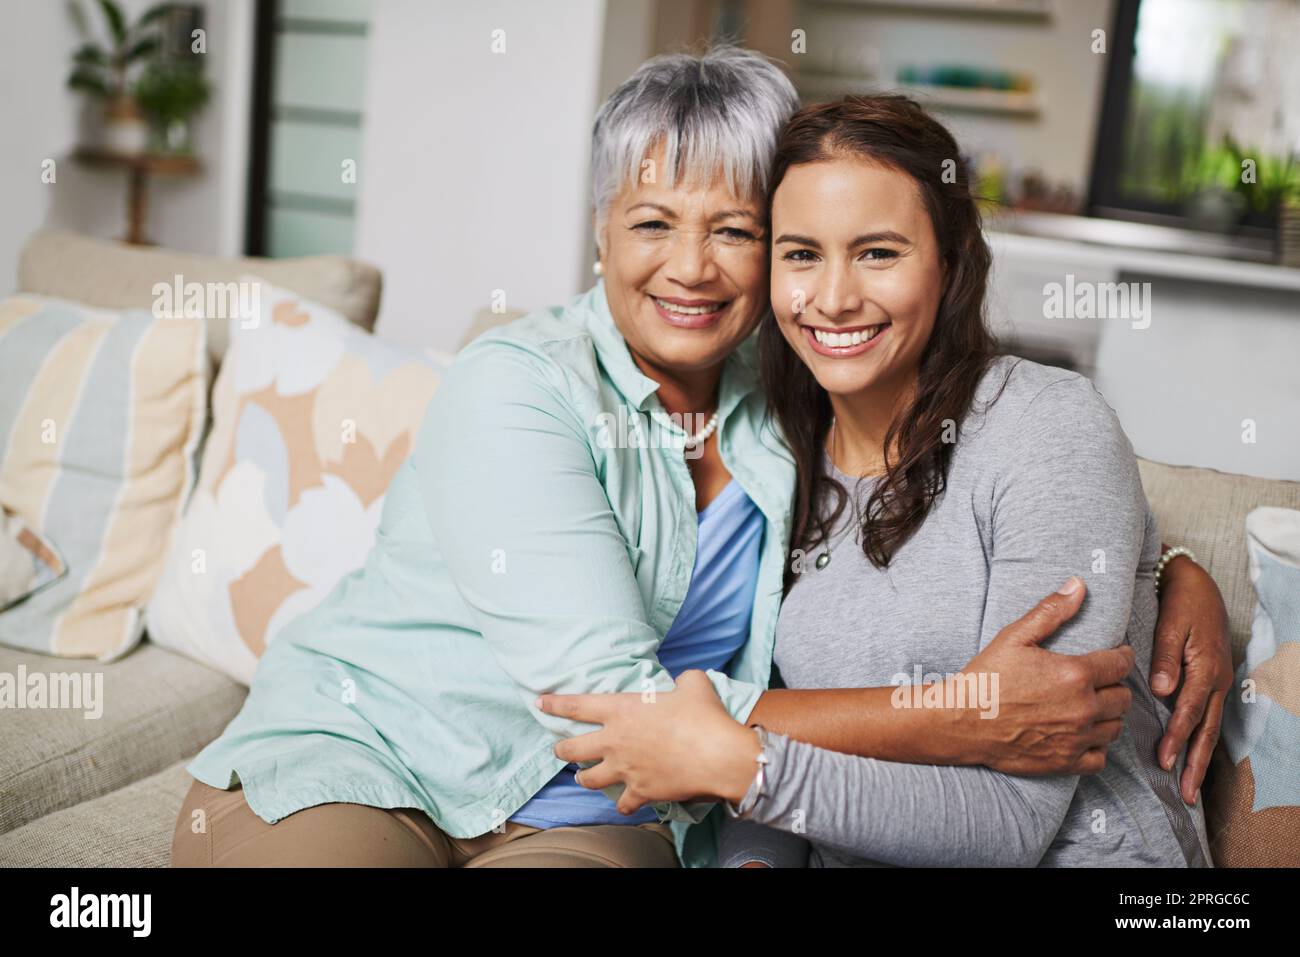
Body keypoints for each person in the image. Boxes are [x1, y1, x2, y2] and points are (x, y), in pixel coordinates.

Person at [173, 50, 1230, 869]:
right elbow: (632, 709)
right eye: (650, 223)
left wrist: (1173, 571)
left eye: (734, 229)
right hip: (375, 760)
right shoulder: (522, 387)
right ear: (597, 233)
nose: (691, 267)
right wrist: (957, 709)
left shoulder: (791, 394)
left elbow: (1024, 467)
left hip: (601, 815)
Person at [538, 94, 1219, 867]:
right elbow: (794, 736)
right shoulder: (776, 458)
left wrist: (745, 768)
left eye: (878, 253)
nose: (833, 298)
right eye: (801, 254)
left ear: (952, 262)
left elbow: (1011, 822)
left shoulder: (1045, 424)